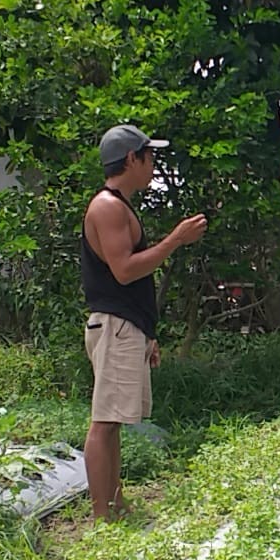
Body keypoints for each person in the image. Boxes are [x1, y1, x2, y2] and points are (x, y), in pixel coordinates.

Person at [81, 124, 208, 521]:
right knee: (104, 423)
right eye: (149, 156)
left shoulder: (119, 206)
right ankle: (102, 516)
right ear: (132, 159)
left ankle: (115, 503)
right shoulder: (107, 207)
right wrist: (175, 240)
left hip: (125, 326)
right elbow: (124, 271)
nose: (154, 165)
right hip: (114, 327)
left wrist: (147, 333)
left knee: (114, 422)